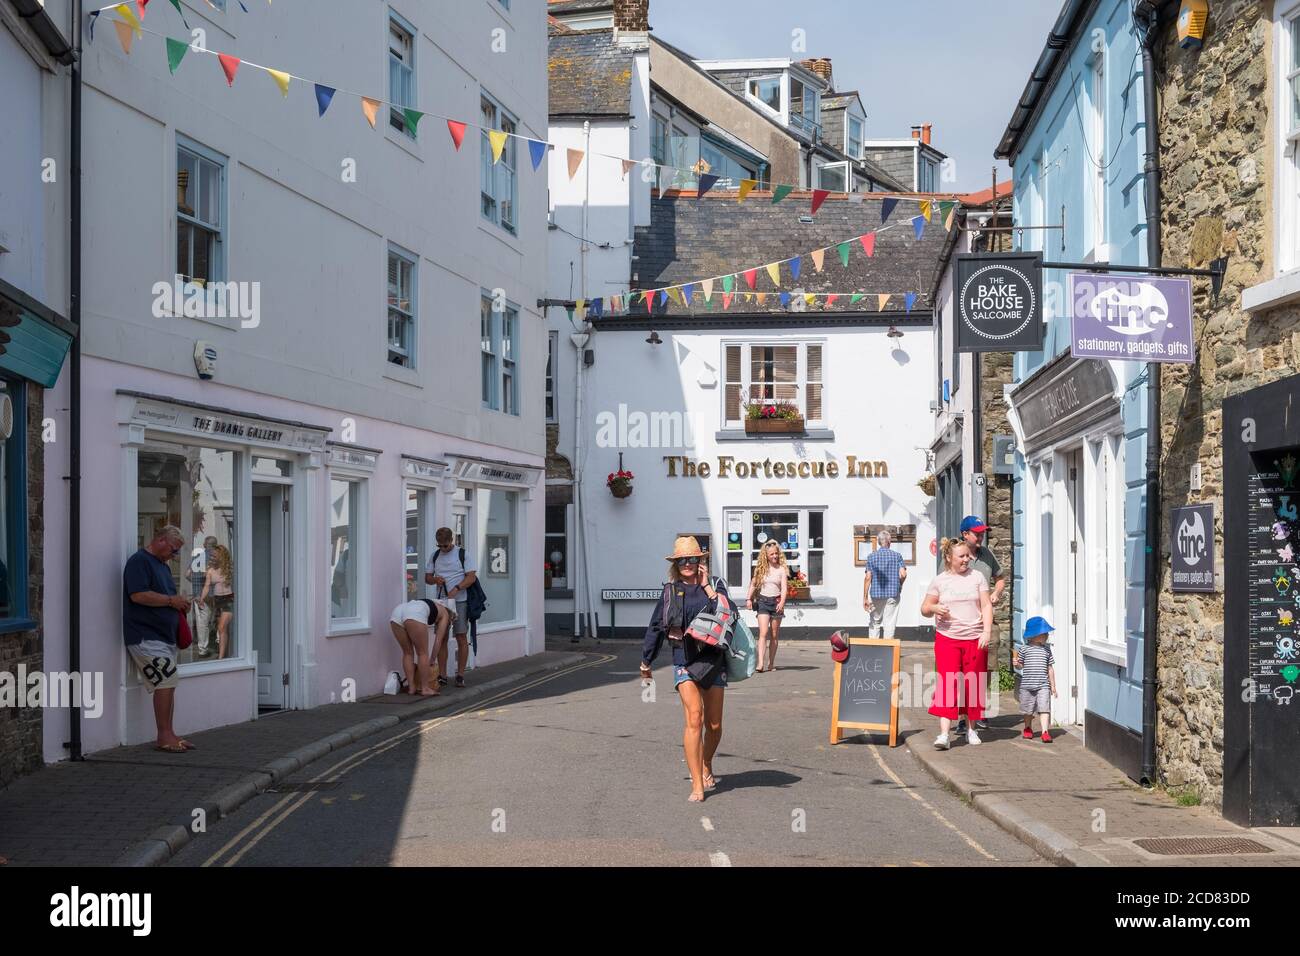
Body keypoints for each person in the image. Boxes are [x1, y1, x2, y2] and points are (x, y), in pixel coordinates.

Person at [640, 536, 731, 802]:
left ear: (701, 562)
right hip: (684, 658)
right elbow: (656, 627)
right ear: (676, 564)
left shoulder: (715, 587)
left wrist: (707, 588)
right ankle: (696, 784)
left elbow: (728, 614)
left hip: (714, 660)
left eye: (692, 559)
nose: (687, 564)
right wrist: (647, 662)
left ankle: (706, 763)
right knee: (695, 717)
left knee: (714, 725)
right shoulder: (670, 591)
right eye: (682, 561)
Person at [124, 525, 195, 753]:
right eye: (173, 550)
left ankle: (170, 734)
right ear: (161, 540)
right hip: (146, 636)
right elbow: (138, 595)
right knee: (165, 681)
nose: (174, 556)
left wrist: (179, 603)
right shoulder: (139, 561)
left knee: (169, 683)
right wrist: (171, 601)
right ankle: (163, 736)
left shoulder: (162, 566)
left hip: (163, 636)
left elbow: (167, 598)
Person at [921, 538, 993, 750]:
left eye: (967, 556)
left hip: (974, 637)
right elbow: (925, 608)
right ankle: (944, 734)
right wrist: (934, 609)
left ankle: (972, 729)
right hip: (947, 639)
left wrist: (986, 631)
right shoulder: (940, 580)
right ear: (949, 558)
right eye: (961, 556)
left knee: (973, 684)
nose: (966, 559)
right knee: (948, 684)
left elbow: (987, 605)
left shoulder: (977, 577)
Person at [956, 515, 1006, 734]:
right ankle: (961, 716)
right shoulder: (955, 555)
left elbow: (1001, 578)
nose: (981, 536)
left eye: (982, 532)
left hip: (986, 622)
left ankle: (980, 712)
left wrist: (996, 592)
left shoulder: (987, 554)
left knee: (986, 669)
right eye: (977, 533)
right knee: (961, 672)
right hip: (961, 624)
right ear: (965, 534)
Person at [425, 527, 478, 688]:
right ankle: (442, 675)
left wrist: (457, 588)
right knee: (441, 639)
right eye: (439, 546)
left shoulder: (463, 554)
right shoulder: (434, 556)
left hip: (460, 601)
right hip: (441, 603)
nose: (442, 549)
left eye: (445, 546)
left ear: (451, 541)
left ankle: (460, 675)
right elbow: (427, 578)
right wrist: (435, 580)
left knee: (461, 637)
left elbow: (471, 577)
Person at [389, 597, 454, 697]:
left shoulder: (430, 604)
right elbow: (438, 641)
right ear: (451, 614)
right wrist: (432, 659)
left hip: (397, 612)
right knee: (422, 653)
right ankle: (425, 688)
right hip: (415, 613)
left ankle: (411, 687)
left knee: (407, 653)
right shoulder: (445, 613)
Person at [745, 540, 787, 672]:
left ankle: (771, 663)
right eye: (772, 554)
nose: (774, 556)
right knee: (763, 632)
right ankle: (760, 663)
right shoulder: (761, 569)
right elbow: (753, 584)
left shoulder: (782, 570)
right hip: (763, 601)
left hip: (776, 603)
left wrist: (782, 602)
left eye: (776, 554)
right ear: (766, 556)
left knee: (774, 634)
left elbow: (785, 589)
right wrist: (748, 599)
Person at [1014, 616, 1057, 743]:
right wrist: (1016, 663)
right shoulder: (1024, 649)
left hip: (1043, 685)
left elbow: (1050, 668)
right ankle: (1027, 727)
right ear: (1033, 635)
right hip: (1027, 685)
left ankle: (1045, 731)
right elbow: (1020, 665)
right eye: (1044, 633)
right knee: (1028, 710)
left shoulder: (1046, 650)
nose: (1047, 635)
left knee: (1044, 708)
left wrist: (1053, 686)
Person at [863, 530, 907, 638]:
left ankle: (874, 651)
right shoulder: (897, 556)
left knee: (875, 622)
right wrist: (899, 585)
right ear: (889, 542)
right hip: (892, 594)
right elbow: (903, 574)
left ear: (878, 542)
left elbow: (868, 577)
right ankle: (888, 652)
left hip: (876, 595)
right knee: (889, 624)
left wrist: (865, 597)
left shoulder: (871, 557)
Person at [201, 543, 235, 659]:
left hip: (228, 599)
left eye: (214, 556)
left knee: (221, 627)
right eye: (211, 556)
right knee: (222, 630)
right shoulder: (210, 571)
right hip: (217, 601)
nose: (211, 558)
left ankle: (221, 657)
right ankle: (224, 655)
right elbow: (206, 586)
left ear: (221, 557)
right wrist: (202, 598)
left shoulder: (230, 568)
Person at [190, 535, 217, 658]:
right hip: (217, 594)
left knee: (202, 622)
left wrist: (196, 591)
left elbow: (188, 574)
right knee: (218, 619)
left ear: (204, 545)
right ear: (215, 545)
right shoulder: (218, 557)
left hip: (200, 594)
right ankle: (219, 642)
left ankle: (203, 649)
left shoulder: (198, 557)